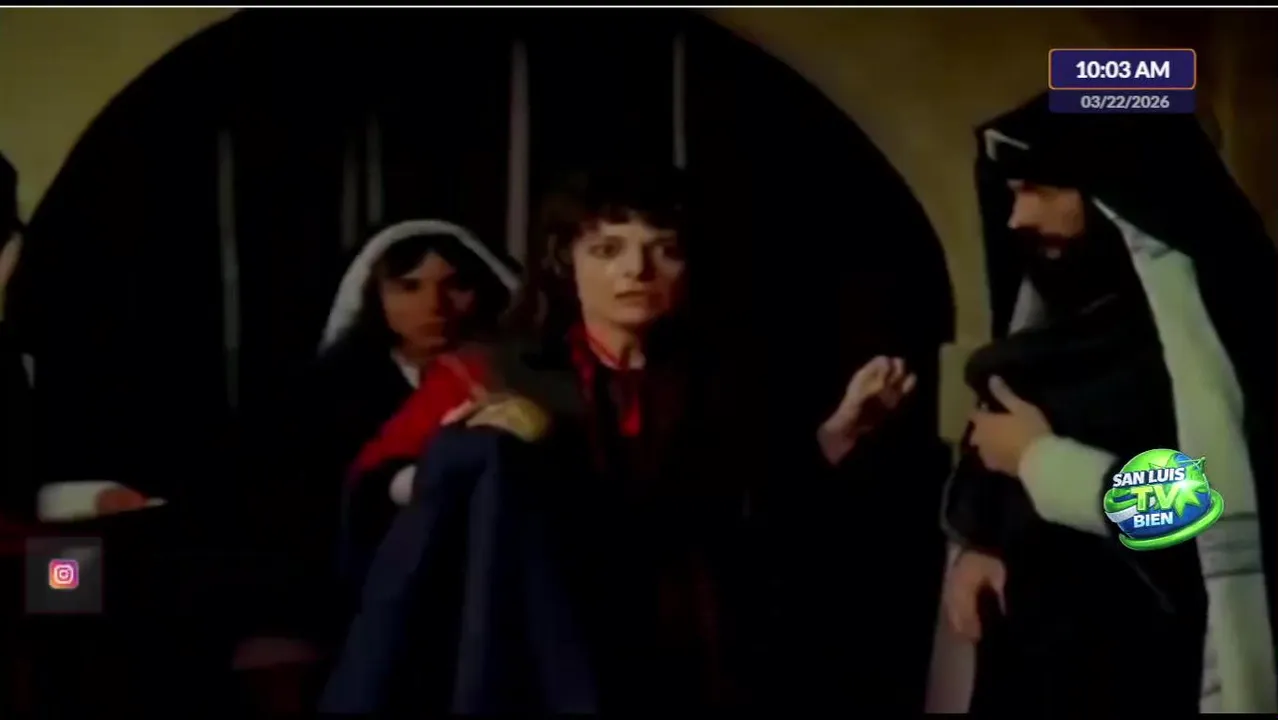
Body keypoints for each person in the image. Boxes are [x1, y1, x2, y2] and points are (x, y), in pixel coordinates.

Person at [321, 164, 919, 713]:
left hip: (685, 649)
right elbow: (373, 485)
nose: (637, 271)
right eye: (608, 249)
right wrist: (452, 463)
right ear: (566, 260)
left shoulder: (718, 382)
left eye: (664, 250)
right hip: (536, 639)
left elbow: (756, 506)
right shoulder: (491, 369)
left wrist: (840, 432)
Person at [942, 93, 1277, 714]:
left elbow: (1207, 509)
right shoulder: (1060, 332)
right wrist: (984, 540)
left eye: (1039, 189)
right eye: (1013, 192)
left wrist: (1042, 461)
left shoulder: (1230, 341)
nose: (1016, 218)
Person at [234, 219, 518, 690]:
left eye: (456, 285)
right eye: (408, 286)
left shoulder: (515, 376)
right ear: (373, 294)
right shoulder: (324, 393)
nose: (434, 305)